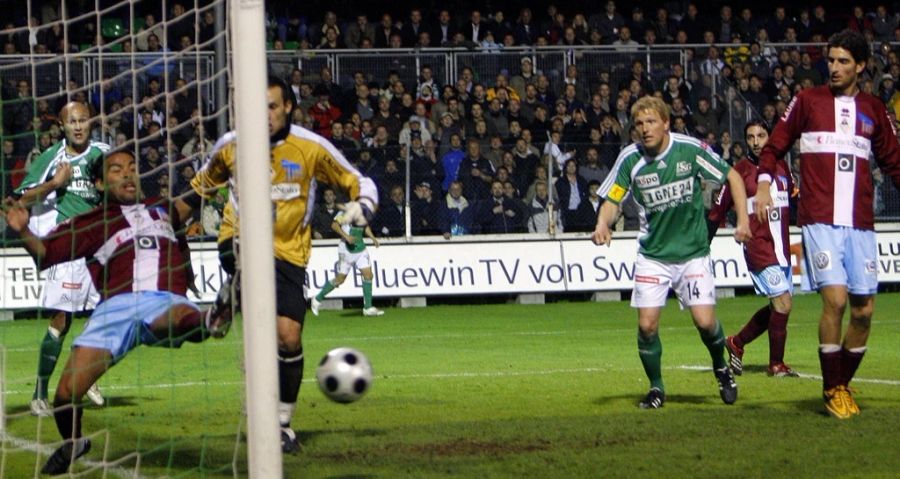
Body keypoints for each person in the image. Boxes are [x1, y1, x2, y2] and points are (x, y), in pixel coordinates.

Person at [176, 77, 379, 451]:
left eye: (272, 106)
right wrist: (161, 221)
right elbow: (197, 191)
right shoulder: (231, 146)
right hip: (236, 240)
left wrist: (362, 206)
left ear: (288, 107)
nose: (264, 114)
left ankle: (283, 425)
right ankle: (235, 287)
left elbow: (358, 180)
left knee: (288, 338)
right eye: (258, 107)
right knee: (246, 262)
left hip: (288, 252)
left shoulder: (310, 147)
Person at [1, 150, 232, 475]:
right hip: (115, 310)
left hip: (163, 298)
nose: (127, 174)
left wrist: (222, 168)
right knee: (66, 394)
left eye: (133, 168)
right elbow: (45, 255)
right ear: (98, 182)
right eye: (117, 170)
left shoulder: (161, 208)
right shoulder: (93, 222)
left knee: (178, 317)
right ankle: (74, 444)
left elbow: (194, 197)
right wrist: (22, 229)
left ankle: (211, 320)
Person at [752, 30, 900, 419]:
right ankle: (832, 390)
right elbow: (774, 146)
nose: (833, 68)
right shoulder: (807, 101)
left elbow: (895, 164)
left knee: (864, 311)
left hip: (861, 224)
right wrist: (764, 184)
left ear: (861, 66)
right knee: (834, 300)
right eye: (830, 60)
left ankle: (840, 385)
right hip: (820, 220)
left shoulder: (875, 109)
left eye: (842, 61)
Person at [592, 96, 751, 409]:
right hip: (653, 255)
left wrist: (743, 220)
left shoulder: (688, 150)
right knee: (647, 325)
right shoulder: (630, 159)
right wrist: (603, 223)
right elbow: (613, 199)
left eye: (651, 122)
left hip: (692, 252)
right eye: (639, 124)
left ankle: (721, 366)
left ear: (665, 123)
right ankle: (656, 389)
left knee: (705, 323)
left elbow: (732, 176)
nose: (645, 129)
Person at [13, 102, 107, 416]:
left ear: (91, 122)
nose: (78, 126)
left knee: (108, 317)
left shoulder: (104, 153)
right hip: (68, 247)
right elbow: (20, 199)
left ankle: (86, 373)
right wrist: (55, 183)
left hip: (102, 247)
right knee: (62, 320)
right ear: (62, 126)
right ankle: (39, 393)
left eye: (82, 120)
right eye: (72, 122)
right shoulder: (52, 157)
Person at [708, 121, 798, 377]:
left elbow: (794, 200)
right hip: (758, 248)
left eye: (761, 135)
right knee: (783, 303)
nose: (756, 141)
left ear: (770, 137)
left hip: (781, 248)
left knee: (777, 307)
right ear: (745, 141)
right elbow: (716, 213)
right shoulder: (738, 173)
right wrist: (702, 246)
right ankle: (776, 365)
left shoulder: (781, 166)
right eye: (750, 137)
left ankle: (736, 342)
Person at [310, 207, 383, 317]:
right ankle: (317, 299)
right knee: (340, 279)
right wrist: (347, 236)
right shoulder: (343, 213)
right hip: (346, 249)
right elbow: (334, 225)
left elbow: (365, 227)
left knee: (368, 275)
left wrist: (373, 238)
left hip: (360, 248)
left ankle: (368, 308)